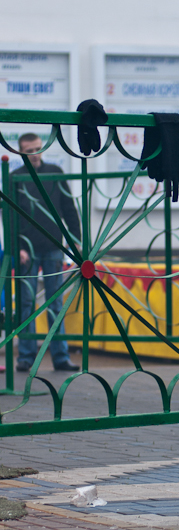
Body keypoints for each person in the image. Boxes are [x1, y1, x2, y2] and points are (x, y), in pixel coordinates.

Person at [14, 134, 80, 372]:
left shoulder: (56, 172)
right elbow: (10, 217)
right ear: (21, 152)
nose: (35, 154)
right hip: (27, 250)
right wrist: (17, 247)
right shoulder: (15, 178)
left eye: (38, 149)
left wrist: (76, 241)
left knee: (55, 304)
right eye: (29, 150)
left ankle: (60, 357)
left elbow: (68, 208)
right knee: (26, 303)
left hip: (54, 245)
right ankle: (26, 357)